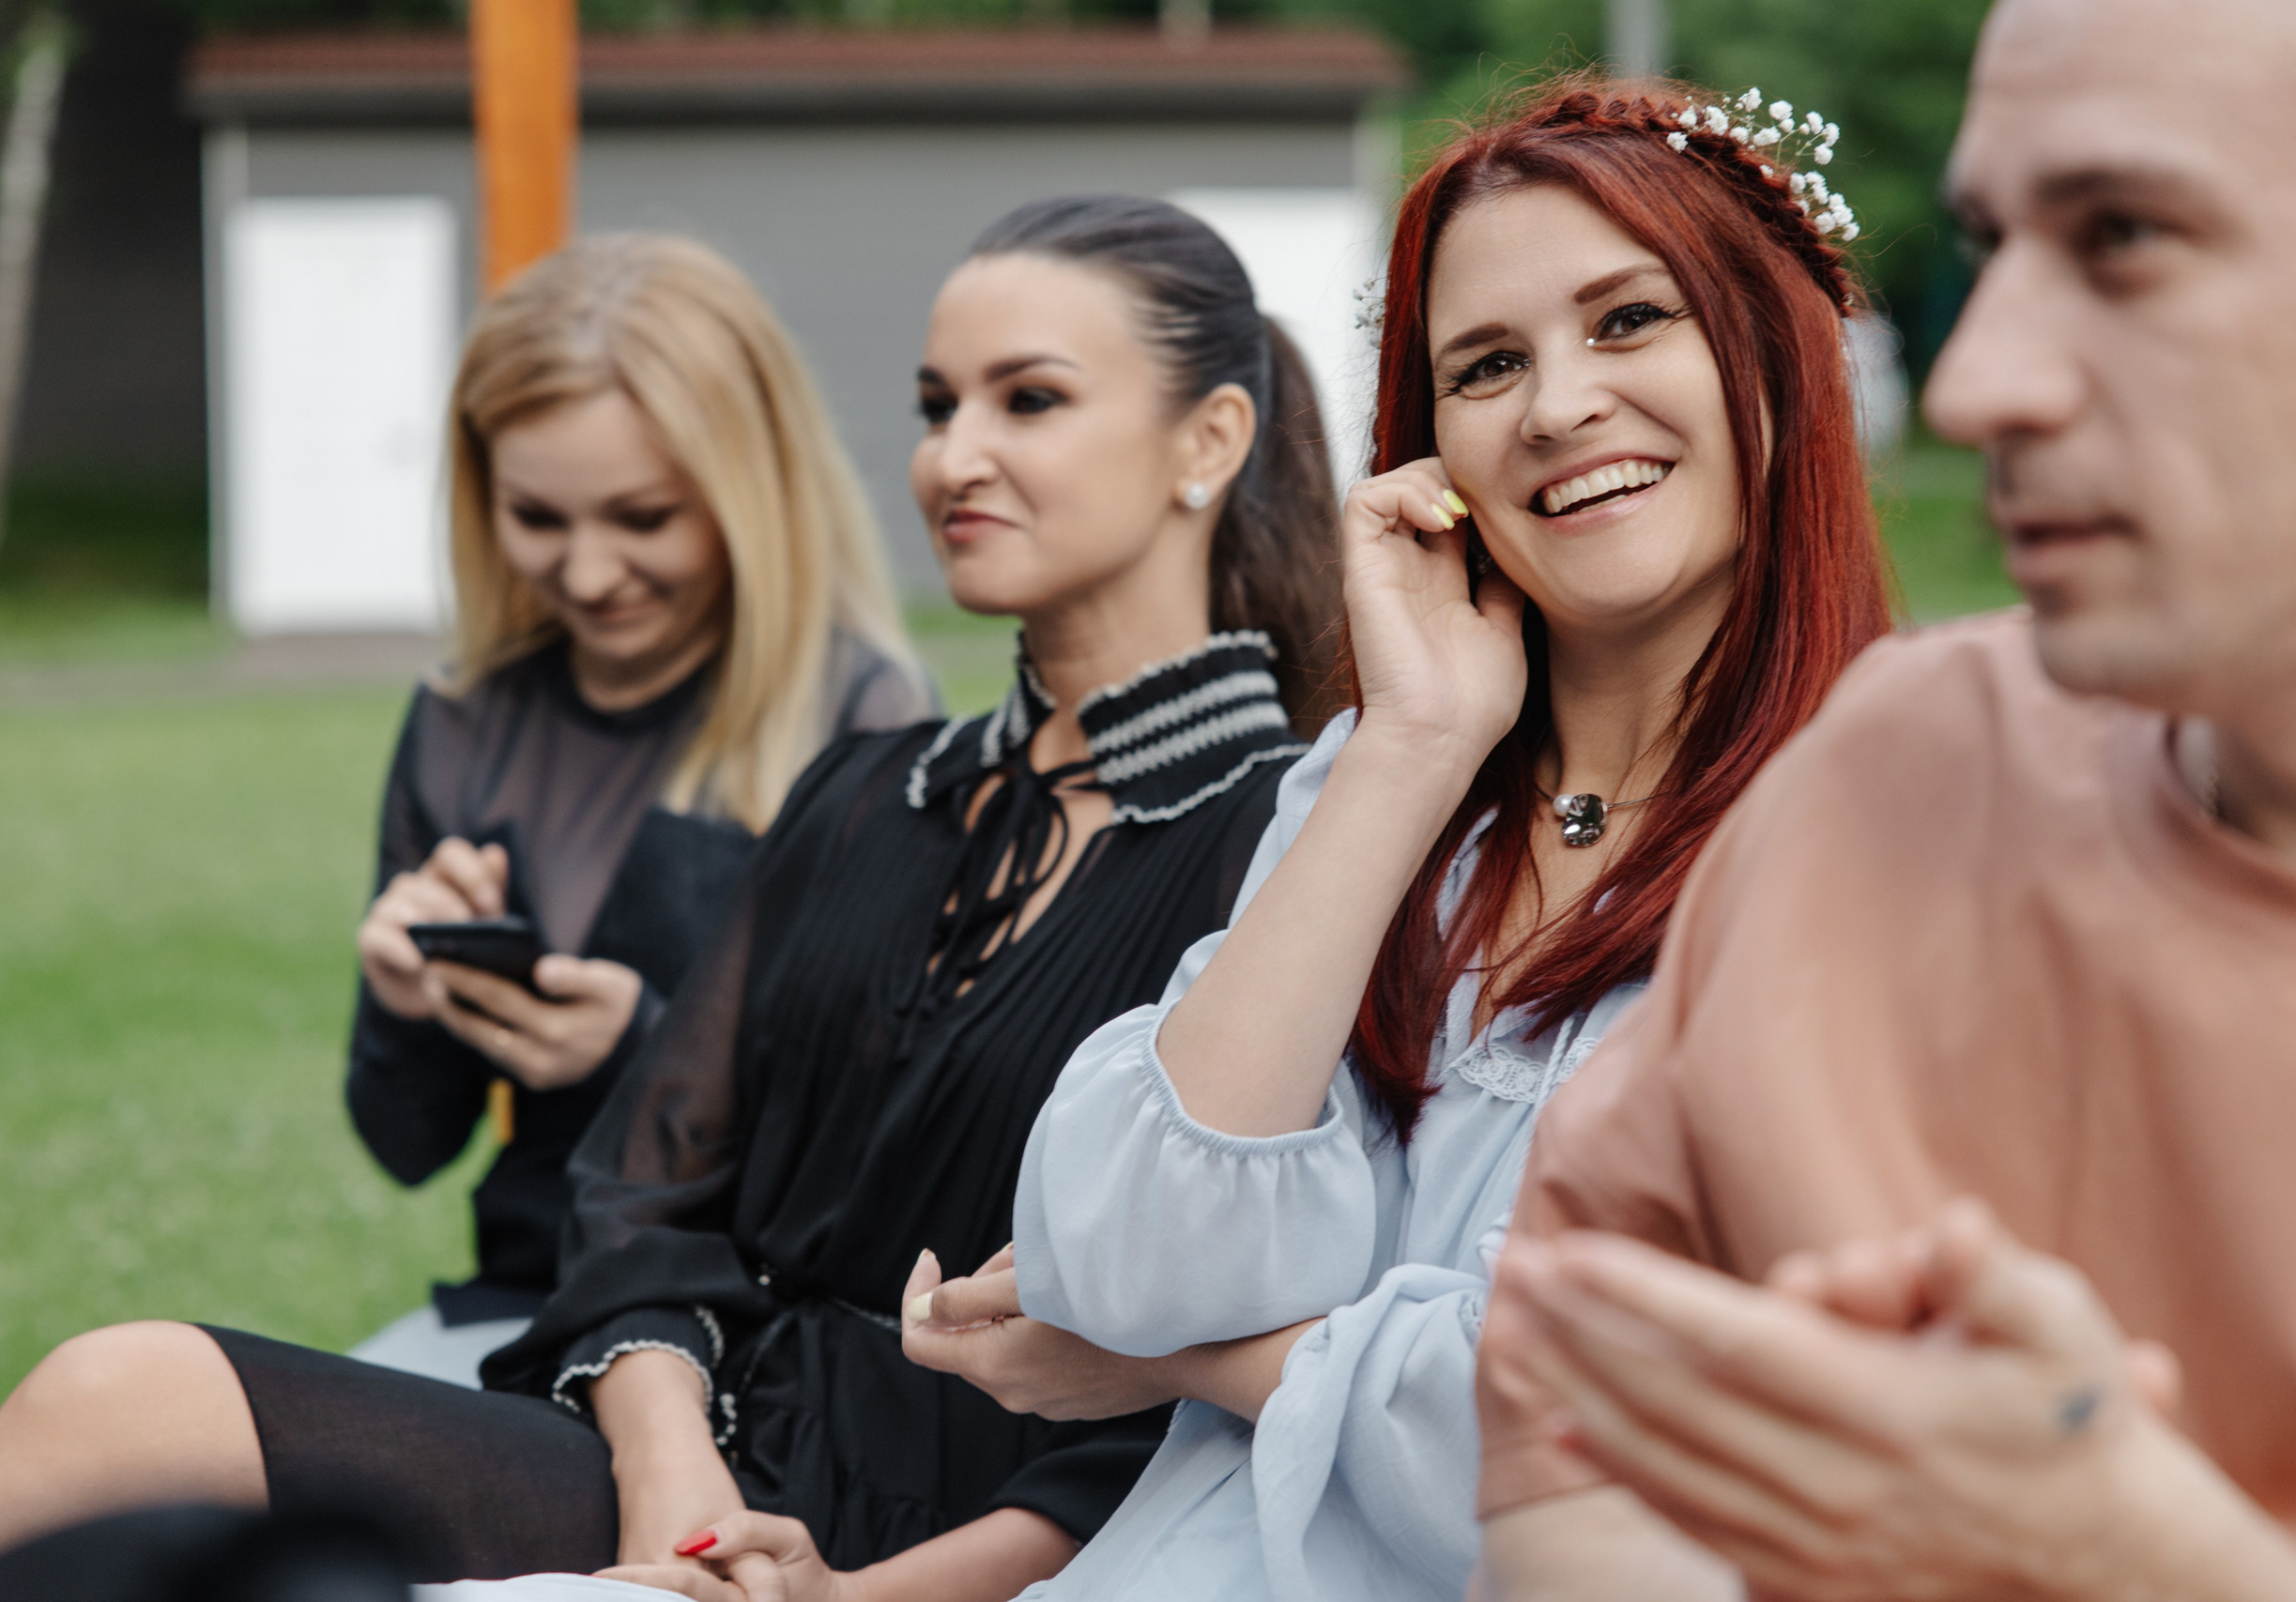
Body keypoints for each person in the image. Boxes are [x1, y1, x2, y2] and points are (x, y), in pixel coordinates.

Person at [0, 194, 1343, 1600]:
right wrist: (669, 1476)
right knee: (123, 1392)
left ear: (1212, 441)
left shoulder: (1291, 837)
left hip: (966, 1536)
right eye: (937, 403)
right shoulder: (866, 789)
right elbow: (640, 1195)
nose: (956, 453)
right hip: (711, 1460)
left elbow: (1188, 1385)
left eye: (1031, 399)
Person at [864, 78, 1893, 1602]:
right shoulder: (1384, 781)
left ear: (1776, 354)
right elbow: (1131, 1244)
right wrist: (1413, 746)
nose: (1556, 407)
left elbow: (1630, 1442)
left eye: (1627, 322)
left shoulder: (1888, 825)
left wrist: (1203, 1357)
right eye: (1487, 363)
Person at [1474, 2, 2296, 1598]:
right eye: (1992, 241)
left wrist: (2135, 1564)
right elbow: (1558, 1429)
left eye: (2124, 236)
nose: (1976, 385)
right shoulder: (1893, 769)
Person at [346, 233, 932, 1384]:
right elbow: (404, 1143)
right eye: (538, 518)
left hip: (759, 1334)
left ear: (748, 491)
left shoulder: (866, 720)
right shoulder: (466, 722)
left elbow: (876, 1156)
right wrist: (400, 1006)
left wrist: (638, 1051)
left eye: (644, 518)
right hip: (516, 1307)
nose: (589, 572)